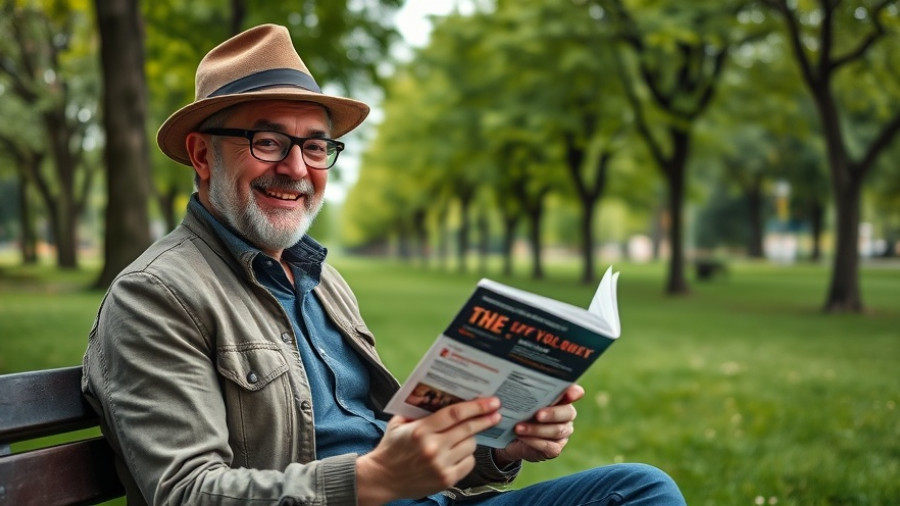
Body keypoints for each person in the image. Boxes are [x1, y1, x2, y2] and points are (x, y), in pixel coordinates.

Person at [82, 24, 686, 506]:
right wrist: (369, 482)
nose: (296, 168)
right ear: (202, 154)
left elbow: (392, 447)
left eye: (315, 146)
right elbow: (186, 494)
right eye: (267, 141)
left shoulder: (322, 281)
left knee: (638, 490)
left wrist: (501, 448)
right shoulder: (156, 295)